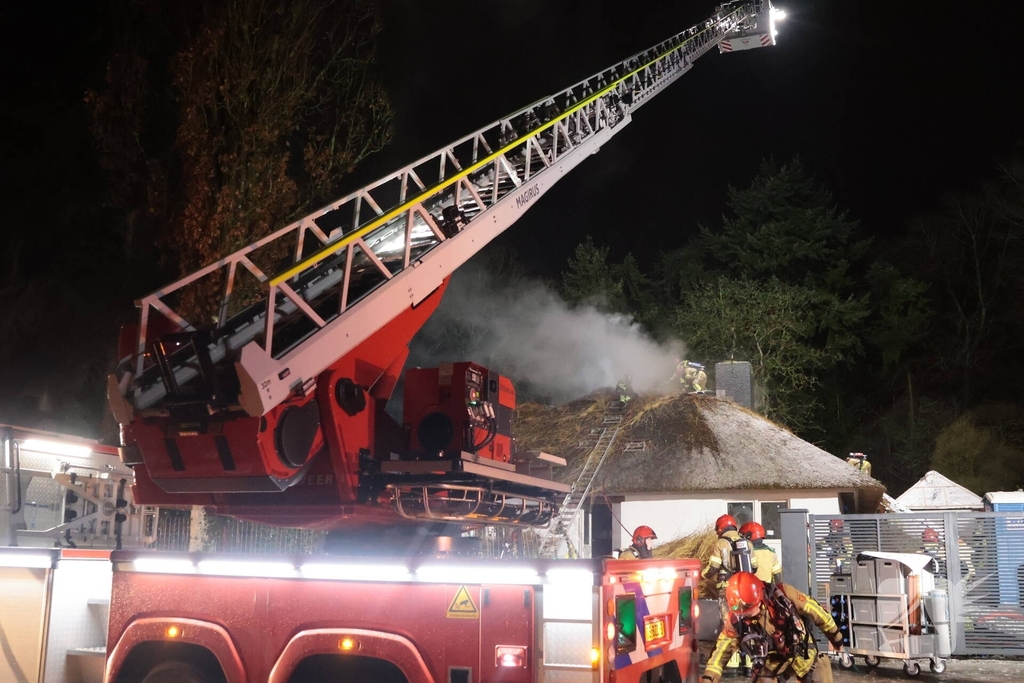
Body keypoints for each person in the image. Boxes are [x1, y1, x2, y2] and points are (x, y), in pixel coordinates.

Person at [702, 572, 846, 683]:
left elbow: (816, 611)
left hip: (803, 654)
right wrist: (709, 677)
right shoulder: (736, 619)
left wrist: (836, 638)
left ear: (760, 599)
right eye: (742, 613)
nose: (746, 615)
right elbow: (722, 649)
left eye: (749, 610)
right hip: (771, 664)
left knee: (821, 671)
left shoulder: (784, 595)